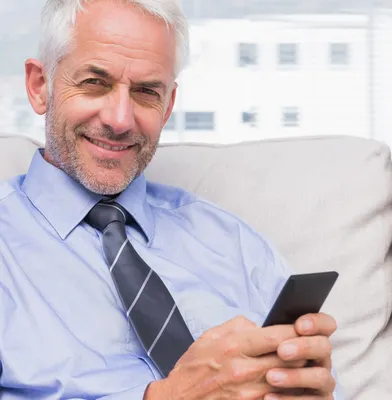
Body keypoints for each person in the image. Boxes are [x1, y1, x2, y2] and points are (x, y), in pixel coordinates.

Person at [0, 0, 343, 399]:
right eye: (95, 82)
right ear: (39, 86)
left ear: (167, 108)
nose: (120, 119)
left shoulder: (234, 244)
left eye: (147, 92)